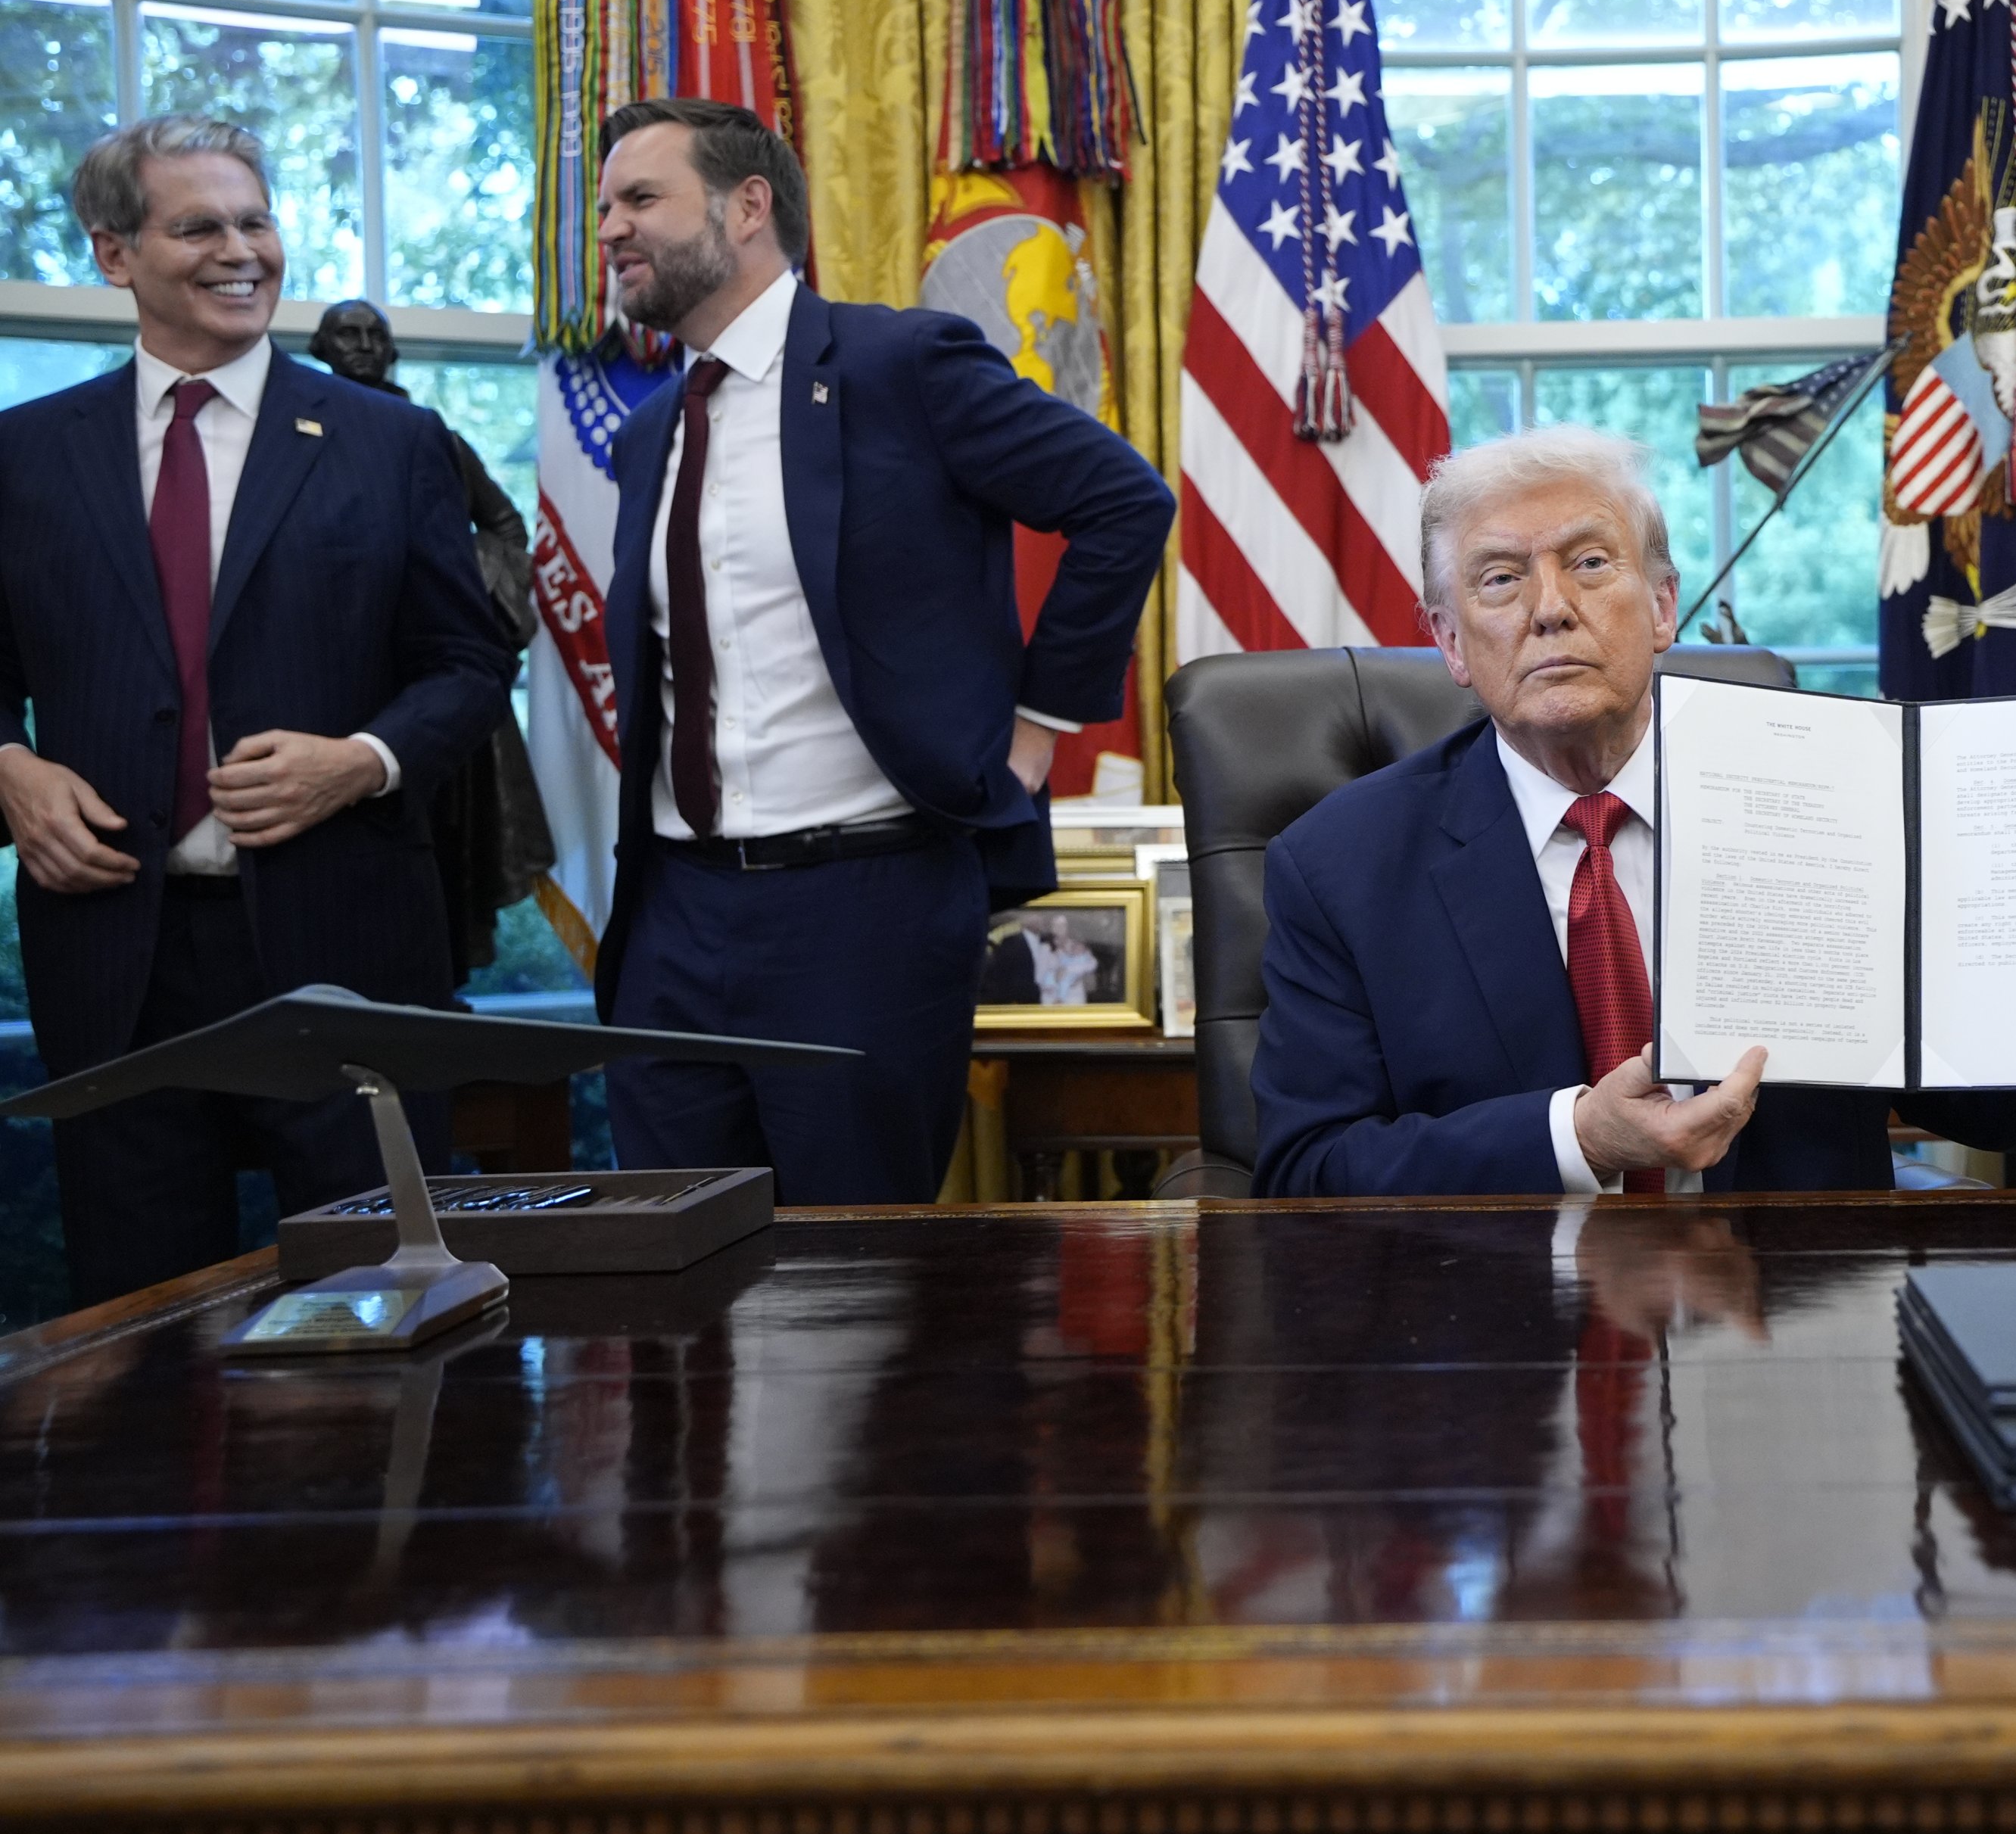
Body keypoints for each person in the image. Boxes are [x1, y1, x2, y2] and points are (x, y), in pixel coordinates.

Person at [1252, 425, 2016, 1197]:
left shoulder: (1841, 795)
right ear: (1448, 641)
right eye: (1499, 579)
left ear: (1660, 608)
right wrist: (1577, 1137)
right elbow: (1302, 1168)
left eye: (1589, 562)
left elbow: (2000, 1109)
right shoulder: (1339, 867)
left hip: (1801, 1344)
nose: (1549, 606)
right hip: (1492, 1353)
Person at [590, 98, 1174, 1204]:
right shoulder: (647, 432)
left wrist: (1036, 731)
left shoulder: (898, 364)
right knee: (667, 1287)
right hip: (671, 917)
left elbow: (1121, 502)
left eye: (641, 198)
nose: (610, 227)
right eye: (605, 205)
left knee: (852, 1291)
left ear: (747, 205)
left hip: (859, 908)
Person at [0, 116, 515, 1304]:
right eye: (200, 227)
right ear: (115, 254)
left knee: (380, 1315)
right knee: (137, 1334)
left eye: (257, 220)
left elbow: (467, 663)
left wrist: (365, 759)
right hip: (113, 952)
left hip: (346, 947)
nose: (241, 250)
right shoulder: (27, 456)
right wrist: (11, 769)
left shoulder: (392, 443)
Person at [307, 299, 558, 985]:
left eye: (374, 335)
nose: (362, 346)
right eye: (347, 334)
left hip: (435, 671)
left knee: (446, 833)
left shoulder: (428, 435)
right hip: (337, 672)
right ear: (319, 347)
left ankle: (436, 983)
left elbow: (505, 524)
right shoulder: (295, 434)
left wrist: (473, 589)